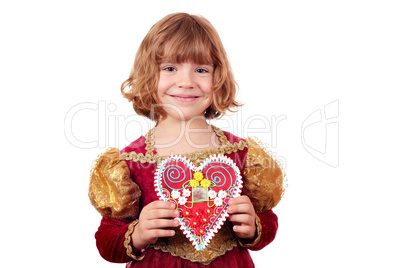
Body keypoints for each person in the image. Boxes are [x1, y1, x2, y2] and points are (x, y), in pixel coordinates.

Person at [89, 12, 286, 267]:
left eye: (201, 69)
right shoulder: (129, 163)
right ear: (149, 74)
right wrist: (137, 235)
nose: (186, 82)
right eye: (170, 68)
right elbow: (106, 242)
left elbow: (267, 221)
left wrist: (254, 227)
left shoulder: (242, 154)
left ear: (218, 76)